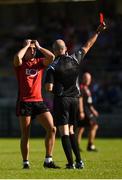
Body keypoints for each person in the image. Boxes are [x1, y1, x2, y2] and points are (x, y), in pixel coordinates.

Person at [45, 22, 106, 169]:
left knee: (64, 132)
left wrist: (55, 91)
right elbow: (88, 45)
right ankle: (79, 161)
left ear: (54, 51)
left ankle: (71, 163)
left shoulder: (52, 67)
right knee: (72, 130)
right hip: (74, 99)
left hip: (62, 100)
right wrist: (97, 32)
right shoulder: (74, 59)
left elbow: (49, 88)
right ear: (65, 49)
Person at [14, 39, 60, 169]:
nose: (33, 50)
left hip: (38, 101)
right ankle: (25, 163)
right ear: (25, 48)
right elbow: (18, 57)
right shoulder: (20, 63)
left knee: (52, 128)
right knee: (26, 133)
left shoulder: (38, 62)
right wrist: (27, 45)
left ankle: (48, 160)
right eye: (31, 48)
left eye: (34, 49)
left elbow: (51, 57)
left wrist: (39, 47)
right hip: (24, 102)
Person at [77, 72, 99, 152]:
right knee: (94, 126)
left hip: (88, 110)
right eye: (86, 78)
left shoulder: (87, 88)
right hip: (84, 111)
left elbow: (89, 102)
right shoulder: (82, 87)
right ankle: (90, 145)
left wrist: (93, 110)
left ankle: (78, 146)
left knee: (81, 128)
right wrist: (81, 111)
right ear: (83, 79)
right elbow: (80, 99)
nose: (88, 80)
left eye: (89, 78)